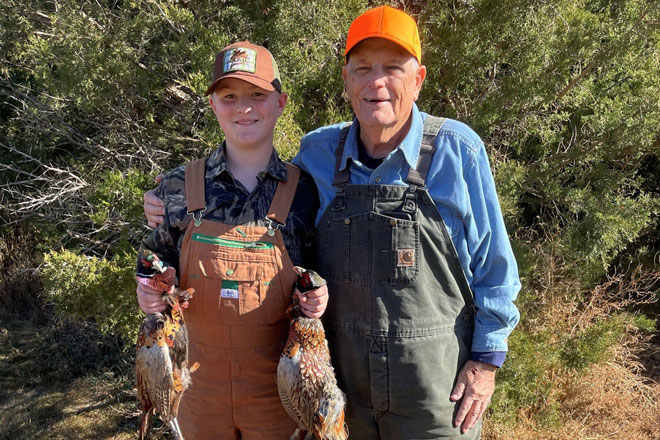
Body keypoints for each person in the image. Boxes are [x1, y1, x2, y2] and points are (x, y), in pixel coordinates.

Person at [145, 6, 520, 439]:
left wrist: (485, 363)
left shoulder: (457, 150)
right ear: (346, 81)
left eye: (393, 68)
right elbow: (258, 205)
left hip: (436, 392)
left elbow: (495, 267)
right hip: (340, 389)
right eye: (363, 69)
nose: (376, 82)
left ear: (418, 79)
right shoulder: (319, 154)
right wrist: (168, 201)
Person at [135, 41, 328, 439]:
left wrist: (318, 295)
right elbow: (153, 259)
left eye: (257, 95)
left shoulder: (306, 192)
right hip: (197, 391)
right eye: (229, 97)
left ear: (280, 103)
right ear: (213, 106)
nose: (244, 108)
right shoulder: (178, 185)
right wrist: (149, 292)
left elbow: (321, 270)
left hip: (279, 393)